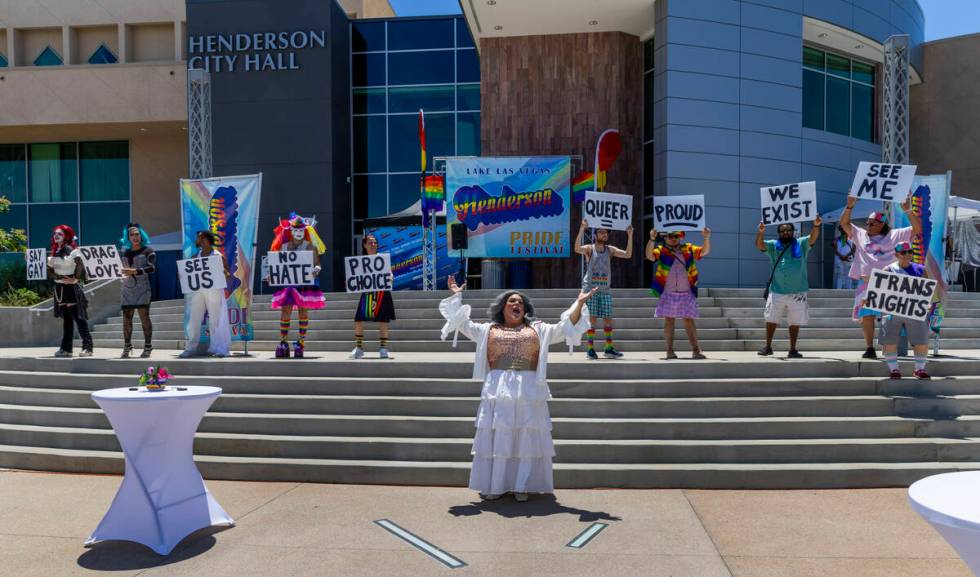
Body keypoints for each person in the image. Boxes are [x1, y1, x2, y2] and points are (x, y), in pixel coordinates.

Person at [439, 275, 593, 502]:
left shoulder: (538, 329)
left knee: (526, 439)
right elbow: (461, 324)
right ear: (502, 308)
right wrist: (456, 296)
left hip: (529, 391)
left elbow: (565, 328)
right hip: (498, 391)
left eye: (520, 302)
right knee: (499, 439)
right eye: (512, 301)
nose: (516, 304)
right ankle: (496, 485)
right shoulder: (487, 330)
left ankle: (522, 485)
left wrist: (579, 304)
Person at [839, 195, 922, 359]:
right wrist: (849, 206)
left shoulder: (895, 235)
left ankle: (889, 347)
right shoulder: (860, 234)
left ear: (882, 224)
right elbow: (844, 223)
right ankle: (870, 348)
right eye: (867, 223)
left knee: (889, 317)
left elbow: (917, 229)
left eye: (872, 223)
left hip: (889, 283)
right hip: (866, 283)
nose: (868, 225)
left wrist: (907, 209)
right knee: (867, 316)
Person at [755, 217, 821, 358]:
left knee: (795, 321)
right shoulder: (773, 245)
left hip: (798, 291)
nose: (786, 233)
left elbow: (813, 239)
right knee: (771, 319)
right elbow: (760, 246)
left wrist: (816, 226)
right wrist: (761, 232)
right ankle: (768, 347)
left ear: (793, 231)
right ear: (779, 233)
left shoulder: (801, 243)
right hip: (777, 290)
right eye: (782, 231)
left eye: (788, 230)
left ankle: (792, 349)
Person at [646, 227, 711, 359]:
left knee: (689, 321)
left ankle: (696, 351)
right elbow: (649, 256)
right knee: (669, 320)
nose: (673, 238)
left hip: (686, 292)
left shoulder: (688, 248)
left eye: (676, 236)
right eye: (670, 236)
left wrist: (706, 237)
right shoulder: (662, 250)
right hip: (668, 292)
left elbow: (704, 252)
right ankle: (669, 351)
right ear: (665, 237)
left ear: (680, 237)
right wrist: (652, 239)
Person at [267, 214, 325, 359]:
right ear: (290, 231)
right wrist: (272, 274)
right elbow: (277, 264)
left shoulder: (310, 246)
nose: (298, 233)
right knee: (285, 311)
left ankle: (301, 342)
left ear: (304, 231)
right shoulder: (284, 246)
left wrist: (317, 269)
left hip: (304, 284)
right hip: (288, 283)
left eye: (300, 230)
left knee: (302, 311)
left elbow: (317, 263)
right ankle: (283, 342)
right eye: (295, 230)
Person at [574, 220, 633, 359]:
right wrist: (582, 229)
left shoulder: (610, 249)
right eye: (601, 232)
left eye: (605, 232)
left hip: (605, 289)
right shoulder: (590, 248)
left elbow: (627, 254)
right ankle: (590, 349)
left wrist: (630, 235)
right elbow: (576, 249)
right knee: (592, 319)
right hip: (591, 289)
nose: (604, 234)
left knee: (608, 319)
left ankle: (608, 348)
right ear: (596, 235)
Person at [879, 242, 931, 379]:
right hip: (893, 310)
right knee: (889, 340)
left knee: (921, 340)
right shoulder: (888, 270)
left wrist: (927, 303)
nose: (907, 255)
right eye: (904, 252)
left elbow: (926, 291)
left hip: (914, 310)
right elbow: (879, 291)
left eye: (910, 252)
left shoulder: (921, 269)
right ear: (896, 255)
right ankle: (894, 369)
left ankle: (919, 369)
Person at [179, 230, 232, 358]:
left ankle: (219, 348)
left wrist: (224, 272)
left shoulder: (217, 255)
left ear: (209, 240)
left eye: (203, 238)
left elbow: (228, 275)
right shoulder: (194, 256)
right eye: (198, 239)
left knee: (215, 319)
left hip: (214, 290)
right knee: (194, 319)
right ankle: (190, 348)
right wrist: (182, 274)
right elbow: (187, 274)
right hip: (198, 291)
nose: (201, 241)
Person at [46, 225, 93, 358]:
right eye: (55, 233)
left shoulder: (72, 250)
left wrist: (76, 279)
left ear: (66, 236)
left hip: (70, 288)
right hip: (59, 288)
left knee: (78, 318)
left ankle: (88, 347)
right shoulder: (55, 252)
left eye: (59, 234)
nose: (56, 236)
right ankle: (66, 348)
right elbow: (51, 272)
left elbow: (80, 264)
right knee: (67, 319)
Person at [350, 234, 396, 359]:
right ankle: (359, 348)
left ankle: (383, 348)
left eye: (375, 242)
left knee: (383, 321)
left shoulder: (382, 258)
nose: (373, 244)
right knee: (359, 320)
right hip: (367, 293)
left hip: (382, 293)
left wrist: (390, 277)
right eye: (370, 242)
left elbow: (389, 272)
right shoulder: (360, 261)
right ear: (364, 245)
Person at [119, 223, 156, 358]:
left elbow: (152, 268)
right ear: (127, 237)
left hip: (142, 288)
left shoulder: (148, 250)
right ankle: (127, 345)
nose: (135, 237)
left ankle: (148, 346)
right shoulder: (124, 252)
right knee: (126, 319)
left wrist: (135, 271)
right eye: (132, 234)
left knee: (144, 317)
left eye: (137, 234)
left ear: (141, 235)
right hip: (126, 288)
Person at [834, 225, 857, 290]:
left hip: (847, 259)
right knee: (841, 275)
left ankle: (848, 290)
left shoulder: (851, 239)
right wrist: (843, 256)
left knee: (847, 275)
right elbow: (835, 249)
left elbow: (854, 249)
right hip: (842, 259)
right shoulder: (837, 239)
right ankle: (839, 290)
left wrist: (844, 256)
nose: (843, 231)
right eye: (842, 229)